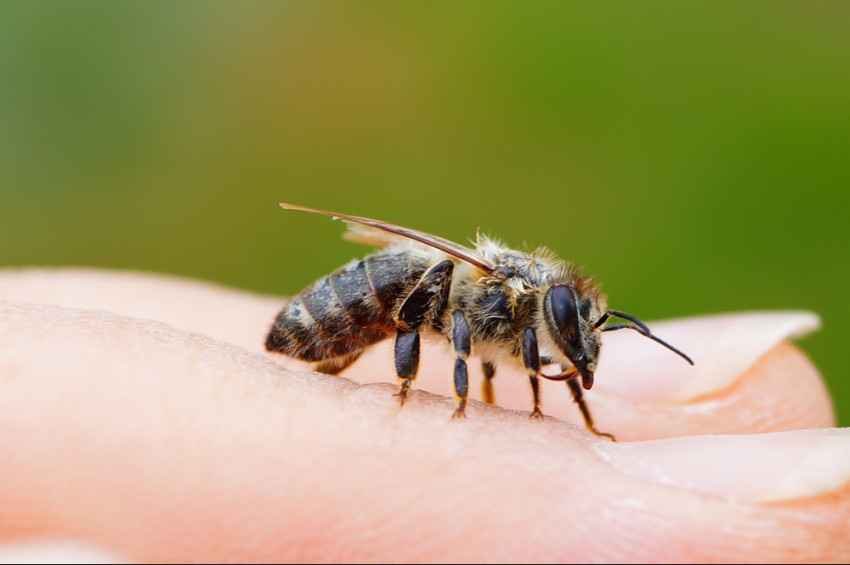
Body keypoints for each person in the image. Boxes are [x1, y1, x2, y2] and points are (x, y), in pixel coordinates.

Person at [0, 268, 847, 563]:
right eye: (570, 330)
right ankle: (391, 387)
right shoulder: (490, 295)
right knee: (409, 306)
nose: (573, 350)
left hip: (391, 309)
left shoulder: (525, 322)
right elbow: (430, 316)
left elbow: (522, 357)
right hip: (365, 302)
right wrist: (418, 394)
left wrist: (577, 408)